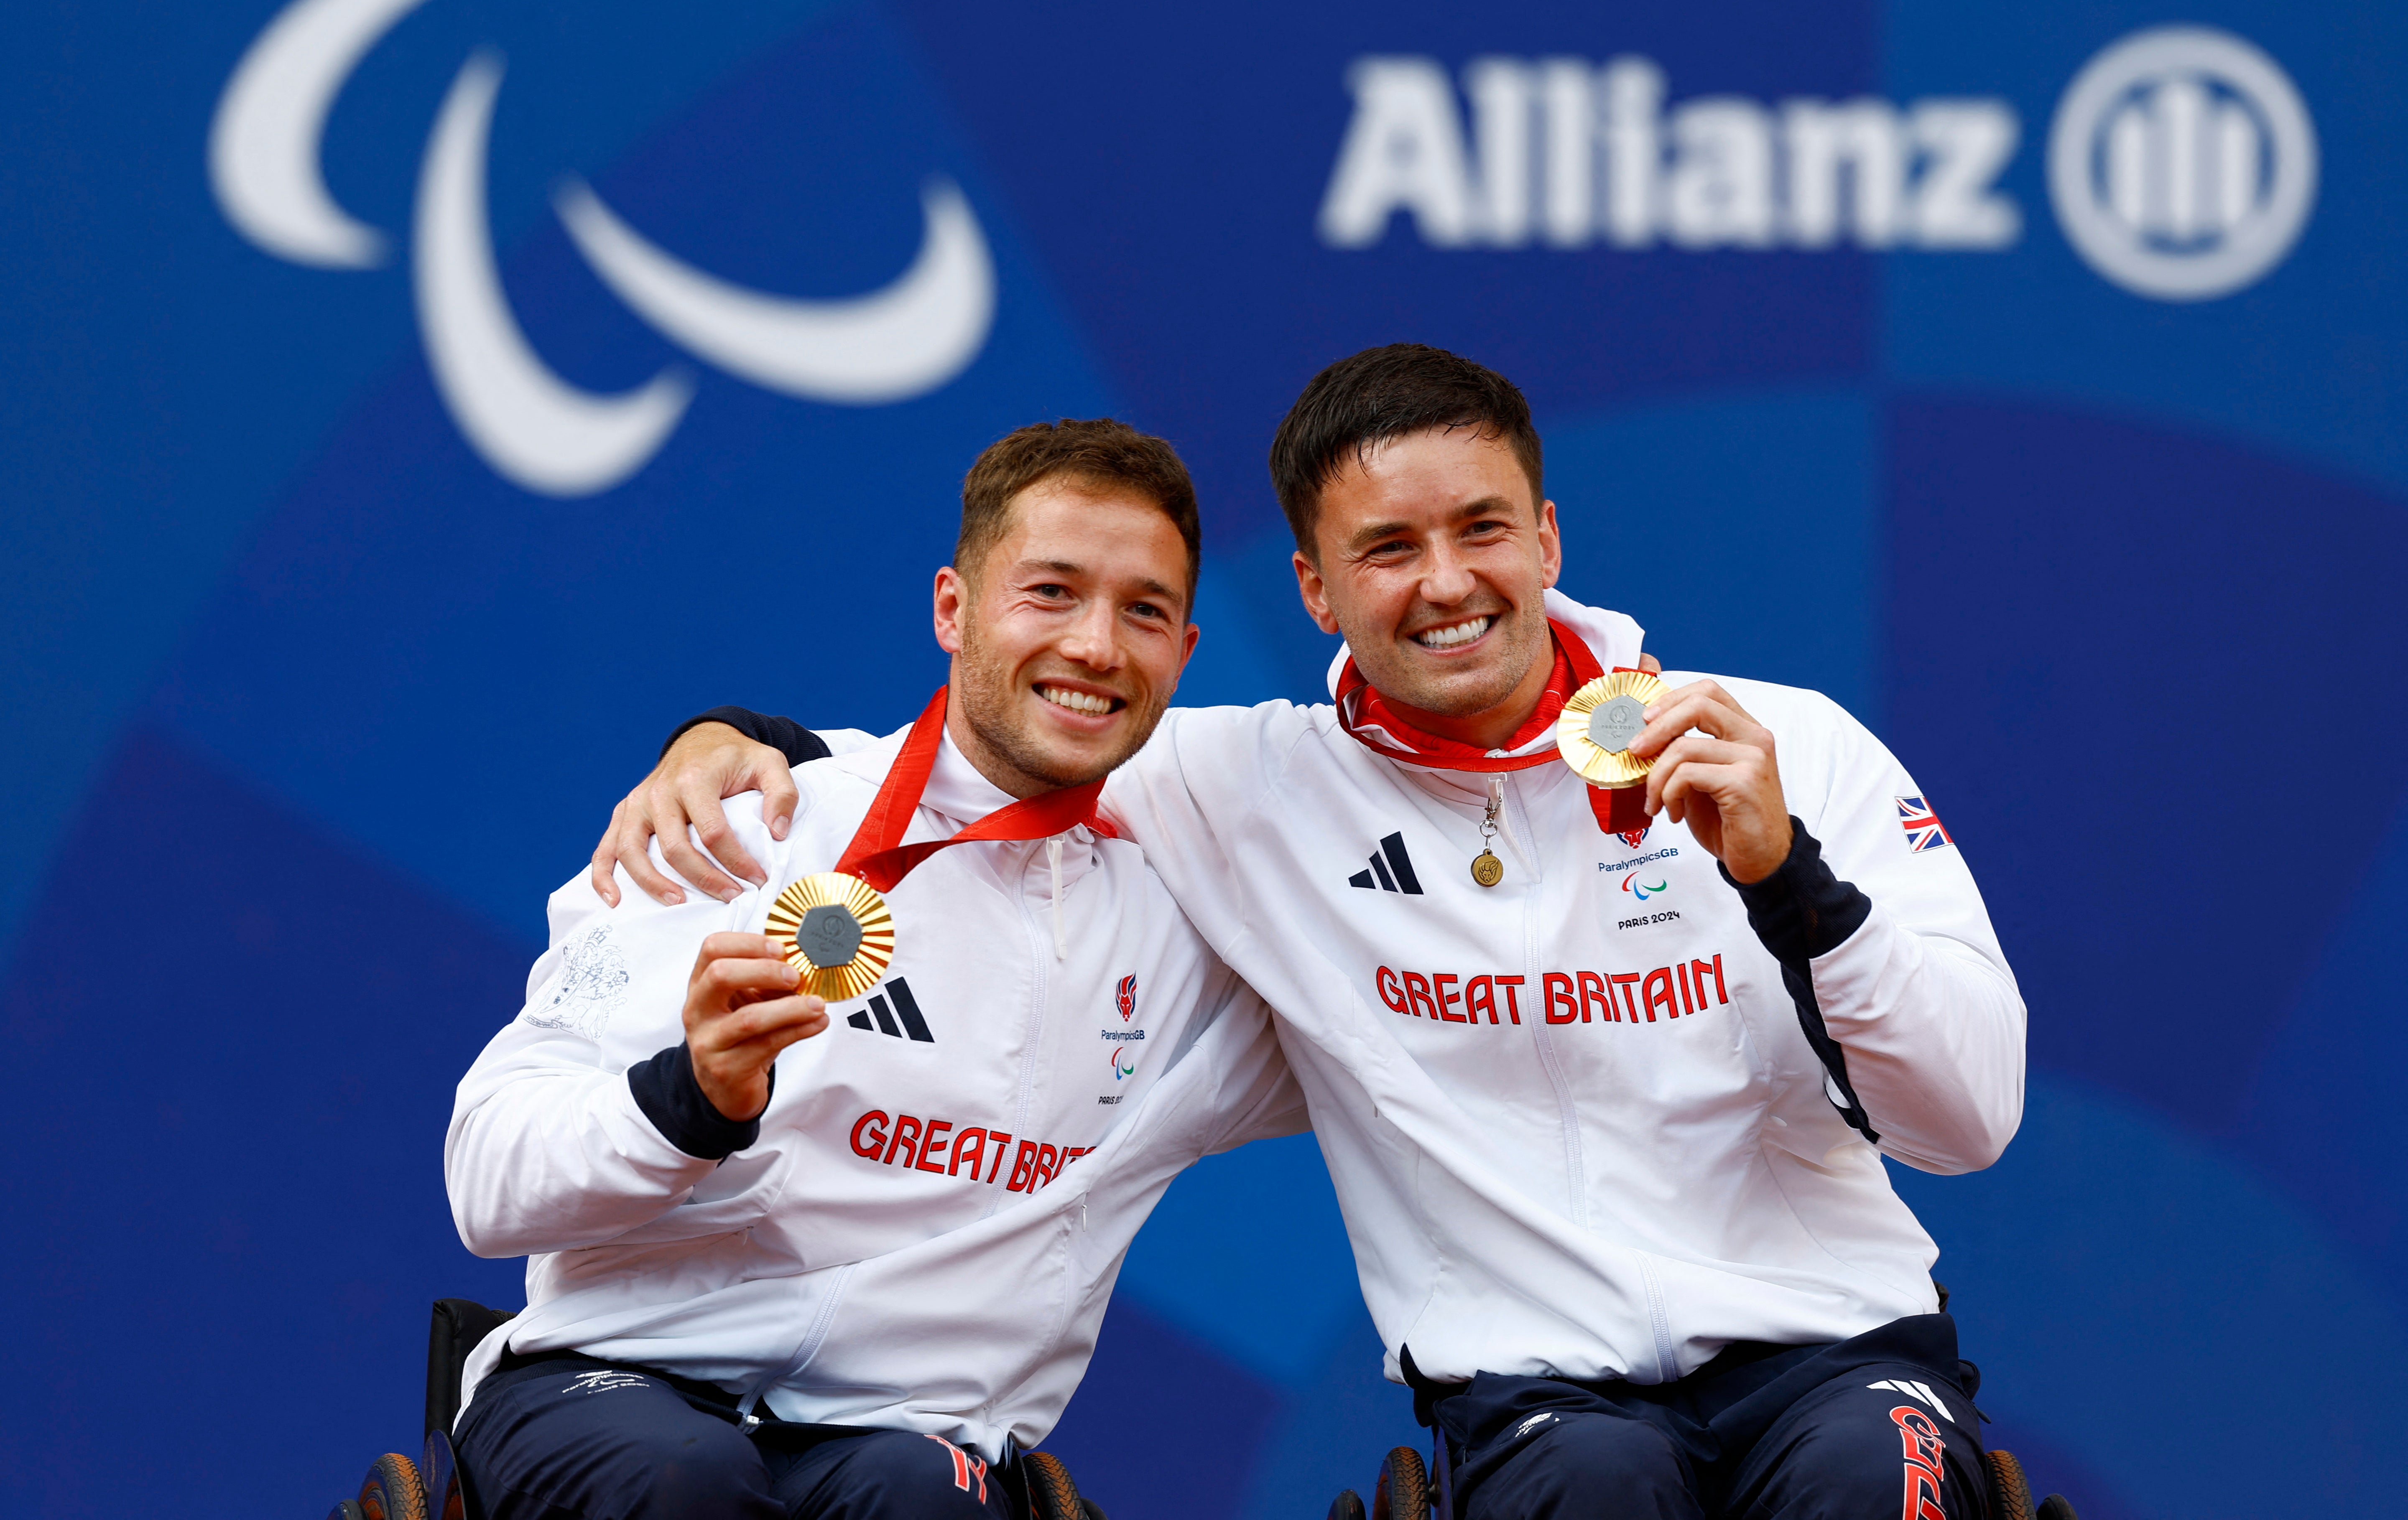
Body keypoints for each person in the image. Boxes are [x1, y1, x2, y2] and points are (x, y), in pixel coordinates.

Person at [602, 345, 2027, 1520]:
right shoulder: (1241, 784)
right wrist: (727, 738)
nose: (1447, 581)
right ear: (1315, 589)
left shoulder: (1788, 746)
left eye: (1481, 529)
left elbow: (1966, 1122)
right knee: (1596, 1490)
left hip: (1844, 1357)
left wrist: (1796, 884)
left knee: (1869, 1489)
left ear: (1547, 537)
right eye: (1388, 549)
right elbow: (979, 746)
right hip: (1535, 1399)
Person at [446, 420, 1302, 1520]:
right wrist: (690, 1098)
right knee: (684, 1480)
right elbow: (487, 1180)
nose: (1096, 646)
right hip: (621, 1383)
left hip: (911, 1435)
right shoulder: (742, 820)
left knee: (920, 1501)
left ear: (1184, 654)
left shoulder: (1197, 910)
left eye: (1142, 610)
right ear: (953, 609)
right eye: (1050, 591)